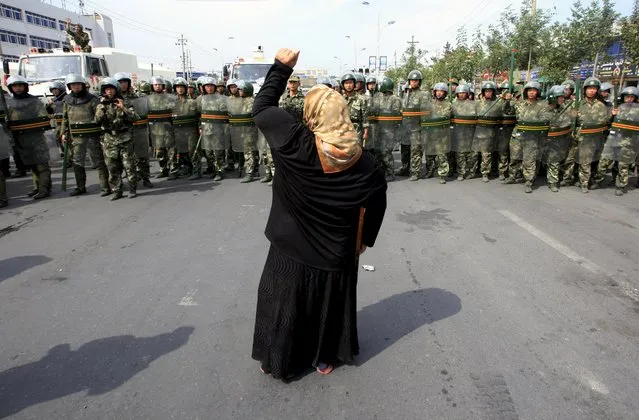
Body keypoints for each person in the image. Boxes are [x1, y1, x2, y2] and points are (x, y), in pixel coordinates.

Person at [251, 48, 387, 380]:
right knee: (328, 306)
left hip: (289, 246)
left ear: (310, 115)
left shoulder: (295, 143)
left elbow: (263, 108)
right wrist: (365, 239)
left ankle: (279, 361)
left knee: (286, 302)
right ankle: (324, 358)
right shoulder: (366, 163)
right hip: (336, 252)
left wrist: (282, 68)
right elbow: (378, 202)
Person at [60, 73, 110, 197]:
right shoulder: (67, 100)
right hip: (76, 137)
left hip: (93, 136)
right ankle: (80, 186)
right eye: (73, 84)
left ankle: (105, 186)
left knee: (99, 161)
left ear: (82, 85)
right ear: (69, 86)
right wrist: (63, 132)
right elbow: (65, 118)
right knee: (77, 162)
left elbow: (99, 117)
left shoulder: (93, 99)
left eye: (77, 84)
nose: (75, 86)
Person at [5, 76, 53, 200]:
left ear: (25, 87)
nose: (18, 88)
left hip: (36, 137)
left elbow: (44, 118)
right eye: (15, 86)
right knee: (31, 164)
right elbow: (7, 121)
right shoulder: (8, 103)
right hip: (20, 138)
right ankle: (38, 187)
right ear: (11, 88)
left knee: (42, 164)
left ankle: (44, 189)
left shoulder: (35, 101)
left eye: (20, 86)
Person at [95, 77, 138, 200]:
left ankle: (132, 189)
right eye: (107, 89)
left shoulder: (124, 102)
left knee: (129, 165)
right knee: (112, 167)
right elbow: (97, 120)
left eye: (111, 89)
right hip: (110, 139)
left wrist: (123, 108)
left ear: (116, 90)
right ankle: (117, 191)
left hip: (125, 138)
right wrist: (102, 108)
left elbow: (135, 117)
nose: (109, 92)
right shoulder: (101, 105)